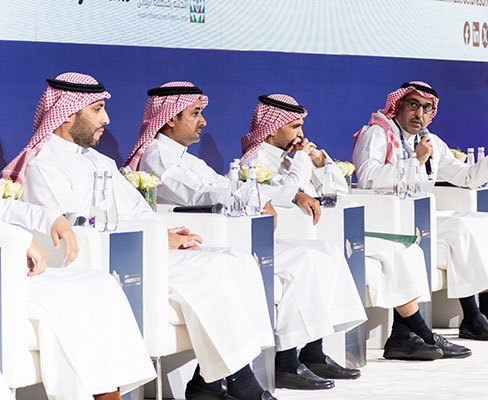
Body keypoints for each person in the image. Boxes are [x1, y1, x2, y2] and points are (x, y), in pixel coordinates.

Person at [4, 73, 276, 400]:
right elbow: (77, 228)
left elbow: (139, 211)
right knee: (204, 273)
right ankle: (240, 384)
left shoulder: (101, 161)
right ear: (67, 115)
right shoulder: (43, 164)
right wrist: (155, 240)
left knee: (234, 260)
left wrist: (160, 234)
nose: (107, 119)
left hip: (141, 248)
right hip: (108, 257)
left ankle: (214, 381)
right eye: (97, 109)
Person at [122, 82, 367, 391]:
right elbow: (199, 195)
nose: (203, 121)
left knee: (325, 251)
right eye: (196, 113)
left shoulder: (189, 159)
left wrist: (272, 193)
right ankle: (281, 362)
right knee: (298, 259)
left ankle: (310, 352)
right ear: (170, 117)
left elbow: (222, 185)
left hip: (232, 232)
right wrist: (260, 195)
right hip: (207, 236)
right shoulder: (157, 155)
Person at [239, 94, 471, 360]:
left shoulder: (290, 157)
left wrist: (320, 162)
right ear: (272, 129)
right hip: (305, 236)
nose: (301, 134)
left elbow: (340, 188)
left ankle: (404, 335)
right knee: (392, 254)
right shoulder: (255, 161)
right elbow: (289, 192)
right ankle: (421, 334)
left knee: (406, 249)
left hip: (330, 228)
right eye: (295, 127)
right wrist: (302, 161)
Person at [352, 81, 488, 340]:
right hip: (388, 219)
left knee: (486, 221)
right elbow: (367, 177)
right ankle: (471, 317)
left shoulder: (431, 142)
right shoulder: (377, 134)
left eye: (426, 108)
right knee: (461, 228)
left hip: (420, 215)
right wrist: (417, 160)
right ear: (398, 105)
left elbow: (467, 177)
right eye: (413, 105)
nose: (419, 114)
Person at [0, 197, 156, 400]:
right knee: (61, 297)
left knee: (102, 284)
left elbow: (4, 206)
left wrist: (52, 219)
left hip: (13, 268)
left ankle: (109, 392)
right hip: (7, 273)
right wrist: (19, 239)